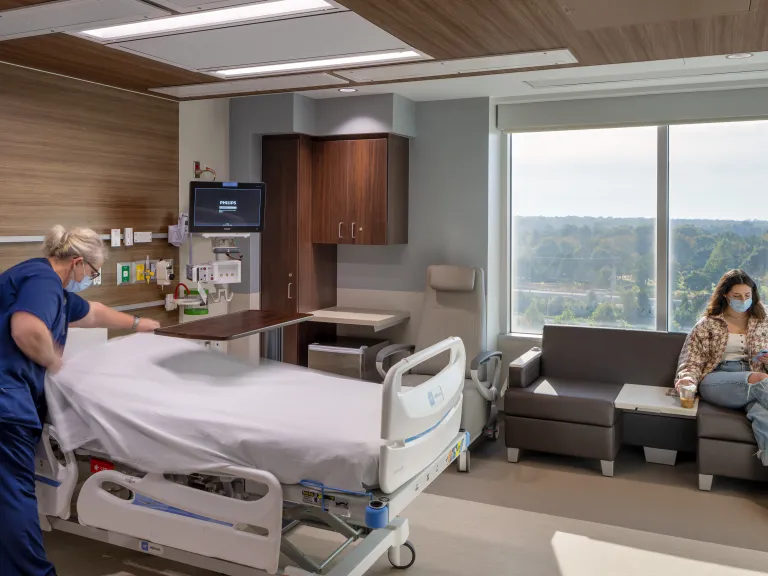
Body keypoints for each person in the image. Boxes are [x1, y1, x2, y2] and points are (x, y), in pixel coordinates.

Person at [0, 225, 160, 576]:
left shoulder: (45, 284)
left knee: (8, 492)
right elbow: (26, 328)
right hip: (6, 402)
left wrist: (138, 323)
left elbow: (93, 312)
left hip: (11, 398)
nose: (90, 278)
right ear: (76, 262)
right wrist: (55, 363)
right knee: (13, 494)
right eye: (92, 272)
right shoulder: (43, 282)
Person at [675, 269, 768, 465]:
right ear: (725, 295)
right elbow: (692, 359)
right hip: (717, 379)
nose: (743, 300)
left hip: (756, 379)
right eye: (737, 296)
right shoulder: (708, 324)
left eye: (747, 295)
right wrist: (687, 379)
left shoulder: (764, 320)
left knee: (763, 415)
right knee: (759, 379)